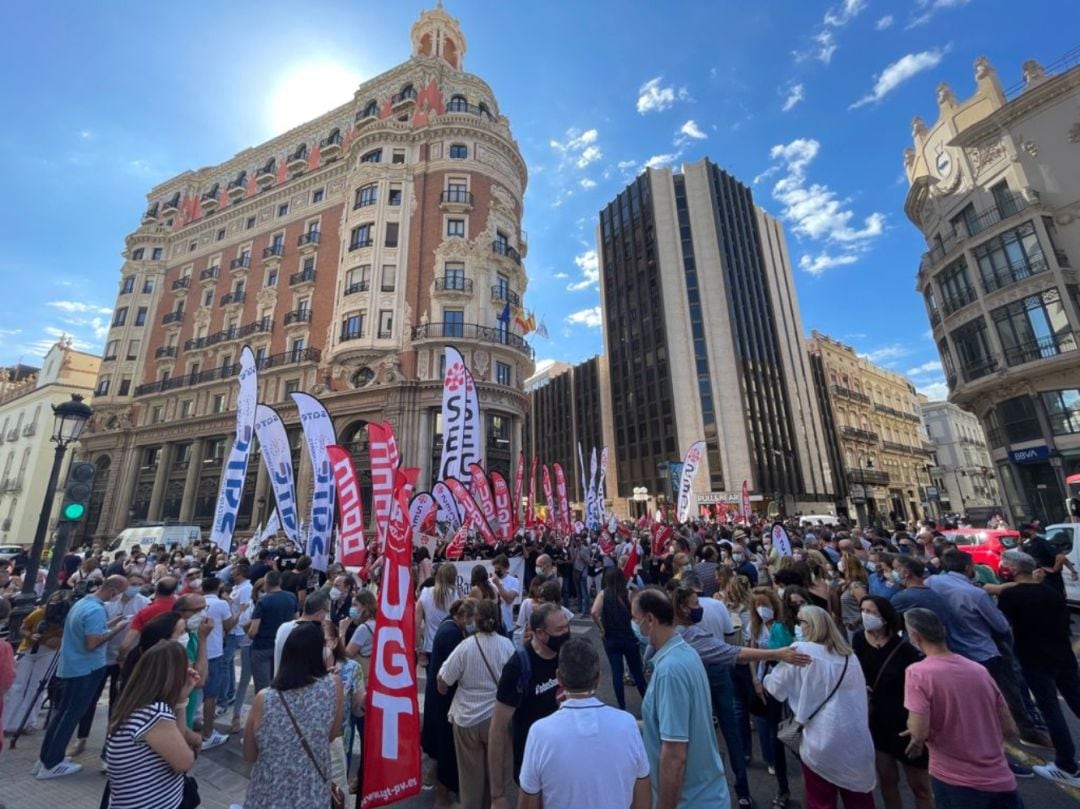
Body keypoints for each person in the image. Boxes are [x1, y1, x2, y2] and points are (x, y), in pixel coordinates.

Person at [902, 608, 1022, 808]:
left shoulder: (918, 673)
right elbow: (1009, 728)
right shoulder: (978, 670)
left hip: (954, 779)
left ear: (915, 637)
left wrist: (916, 733)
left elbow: (918, 731)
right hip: (1000, 778)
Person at [926, 549, 1048, 747]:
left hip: (955, 649)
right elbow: (1000, 626)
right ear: (968, 567)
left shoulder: (934, 582)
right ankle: (1022, 731)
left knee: (973, 700)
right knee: (1006, 692)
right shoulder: (975, 594)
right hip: (985, 652)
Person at [518, 637, 651, 809]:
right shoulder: (628, 724)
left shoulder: (540, 733)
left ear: (559, 677)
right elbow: (643, 798)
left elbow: (527, 802)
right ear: (597, 678)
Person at [765, 604, 876, 808]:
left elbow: (774, 687)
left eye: (801, 622)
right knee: (859, 799)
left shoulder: (800, 651)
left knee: (820, 801)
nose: (798, 627)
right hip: (854, 738)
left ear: (812, 625)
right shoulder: (849, 657)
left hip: (820, 738)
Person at [631, 587, 728, 809]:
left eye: (635, 619)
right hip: (706, 792)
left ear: (650, 620)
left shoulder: (669, 671)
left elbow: (674, 754)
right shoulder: (685, 653)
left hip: (690, 800)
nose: (634, 625)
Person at [996, 550, 1080, 787]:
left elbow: (1003, 627)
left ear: (1013, 570)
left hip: (1034, 659)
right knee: (1076, 700)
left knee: (1051, 710)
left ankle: (1066, 765)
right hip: (1063, 655)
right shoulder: (1051, 592)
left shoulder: (1012, 597)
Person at [35, 574, 131, 779]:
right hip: (86, 668)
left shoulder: (83, 603)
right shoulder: (96, 610)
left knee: (62, 713)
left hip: (72, 666)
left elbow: (87, 629)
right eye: (121, 592)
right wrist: (117, 629)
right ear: (114, 591)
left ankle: (48, 756)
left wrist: (112, 622)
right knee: (71, 715)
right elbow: (92, 642)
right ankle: (51, 764)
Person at [243, 621, 344, 808]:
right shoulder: (333, 686)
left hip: (266, 797)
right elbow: (331, 735)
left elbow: (249, 754)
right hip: (312, 796)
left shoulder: (264, 698)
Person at [851, 595, 931, 809]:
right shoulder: (859, 639)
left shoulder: (904, 649)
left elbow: (919, 687)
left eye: (871, 611)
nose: (865, 615)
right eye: (863, 610)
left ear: (885, 617)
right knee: (887, 780)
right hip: (876, 720)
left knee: (920, 786)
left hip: (904, 722)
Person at [488, 603, 570, 808]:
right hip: (533, 767)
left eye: (566, 626)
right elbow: (498, 729)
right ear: (541, 633)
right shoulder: (518, 667)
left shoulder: (567, 655)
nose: (567, 633)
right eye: (560, 630)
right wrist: (497, 794)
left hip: (566, 762)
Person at [103, 641, 201, 809]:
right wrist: (195, 743)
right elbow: (185, 762)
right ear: (173, 675)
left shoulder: (134, 704)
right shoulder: (154, 713)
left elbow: (179, 738)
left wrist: (181, 700)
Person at [437, 599, 515, 809]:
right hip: (497, 718)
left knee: (470, 778)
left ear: (475, 621)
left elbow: (444, 678)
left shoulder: (465, 646)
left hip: (466, 718)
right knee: (497, 774)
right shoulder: (507, 645)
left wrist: (443, 688)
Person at [71, 570, 150, 756]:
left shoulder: (144, 603)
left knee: (118, 702)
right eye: (133, 582)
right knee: (90, 699)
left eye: (139, 583)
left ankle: (110, 743)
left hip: (125, 659)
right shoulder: (107, 603)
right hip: (102, 656)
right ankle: (81, 738)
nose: (135, 587)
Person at [422, 598, 476, 808]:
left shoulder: (449, 627)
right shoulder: (451, 634)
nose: (471, 623)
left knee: (443, 745)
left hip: (440, 697)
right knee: (446, 746)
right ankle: (442, 793)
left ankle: (439, 781)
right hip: (444, 699)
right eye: (469, 618)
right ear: (461, 616)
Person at [2, 591, 65, 735]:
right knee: (17, 685)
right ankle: (7, 722)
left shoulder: (65, 618)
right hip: (30, 649)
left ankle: (29, 722)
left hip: (49, 651)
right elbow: (23, 628)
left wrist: (59, 641)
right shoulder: (38, 613)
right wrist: (31, 635)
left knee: (37, 687)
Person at [590, 567, 647, 711]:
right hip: (628, 637)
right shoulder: (628, 593)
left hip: (610, 638)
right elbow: (638, 608)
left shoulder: (603, 594)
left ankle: (622, 706)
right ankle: (647, 700)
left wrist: (602, 628)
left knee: (617, 672)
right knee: (637, 671)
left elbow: (594, 612)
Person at [247, 569, 298, 694]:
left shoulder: (263, 601)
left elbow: (253, 630)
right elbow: (296, 620)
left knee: (263, 687)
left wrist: (248, 632)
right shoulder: (291, 597)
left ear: (266, 583)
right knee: (280, 683)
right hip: (284, 645)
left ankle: (263, 711)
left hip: (262, 646)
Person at [272, 589, 329, 674]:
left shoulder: (283, 627)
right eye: (327, 612)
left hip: (280, 681)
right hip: (300, 683)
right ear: (320, 612)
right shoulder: (313, 632)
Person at [416, 564, 457, 666]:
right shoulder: (455, 595)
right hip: (451, 645)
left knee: (432, 680)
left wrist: (419, 649)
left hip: (430, 647)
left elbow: (416, 624)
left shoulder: (425, 593)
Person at [491, 555, 520, 637]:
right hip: (494, 624)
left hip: (507, 624)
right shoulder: (490, 581)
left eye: (499, 569)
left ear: (506, 568)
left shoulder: (514, 581)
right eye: (495, 569)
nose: (496, 571)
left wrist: (498, 584)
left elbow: (509, 599)